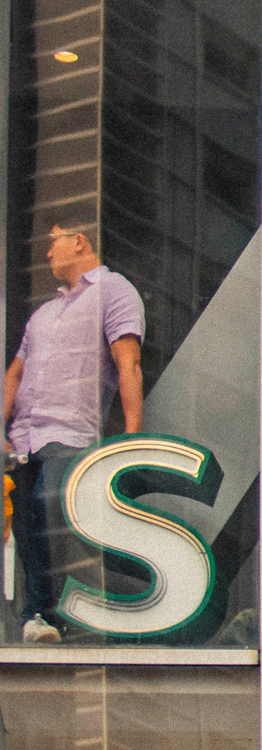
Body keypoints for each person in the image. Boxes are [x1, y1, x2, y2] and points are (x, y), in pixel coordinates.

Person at [2, 221, 144, 643]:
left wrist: (131, 441)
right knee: (24, 521)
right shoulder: (42, 315)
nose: (47, 254)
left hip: (68, 434)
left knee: (49, 509)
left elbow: (128, 365)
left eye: (53, 243)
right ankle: (38, 617)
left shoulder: (115, 290)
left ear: (79, 241)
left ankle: (66, 612)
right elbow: (14, 375)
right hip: (23, 439)